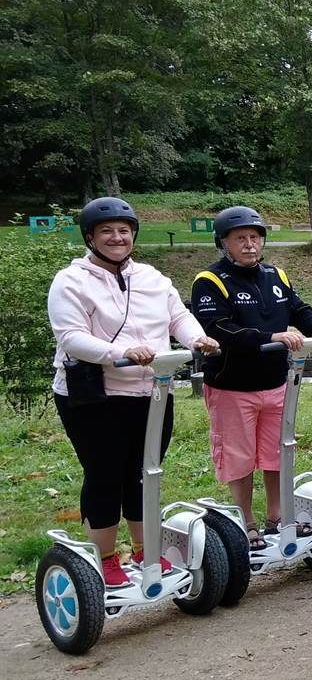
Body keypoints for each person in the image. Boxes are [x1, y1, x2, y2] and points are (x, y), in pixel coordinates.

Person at [48, 198, 219, 587]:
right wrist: (120, 352)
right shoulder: (71, 281)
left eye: (124, 230)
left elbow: (178, 315)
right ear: (90, 236)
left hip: (152, 389)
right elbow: (72, 338)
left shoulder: (151, 277)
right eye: (107, 231)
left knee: (145, 474)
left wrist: (197, 338)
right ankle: (106, 559)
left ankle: (144, 550)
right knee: (105, 474)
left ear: (133, 235)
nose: (117, 237)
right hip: (97, 394)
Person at [192, 206, 312, 550]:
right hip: (232, 386)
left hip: (276, 383)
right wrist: (271, 337)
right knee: (240, 456)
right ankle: (246, 522)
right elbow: (219, 329)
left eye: (255, 237)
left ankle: (277, 517)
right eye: (240, 239)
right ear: (224, 243)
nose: (249, 245)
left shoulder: (276, 275)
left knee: (277, 453)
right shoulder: (210, 281)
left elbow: (298, 309)